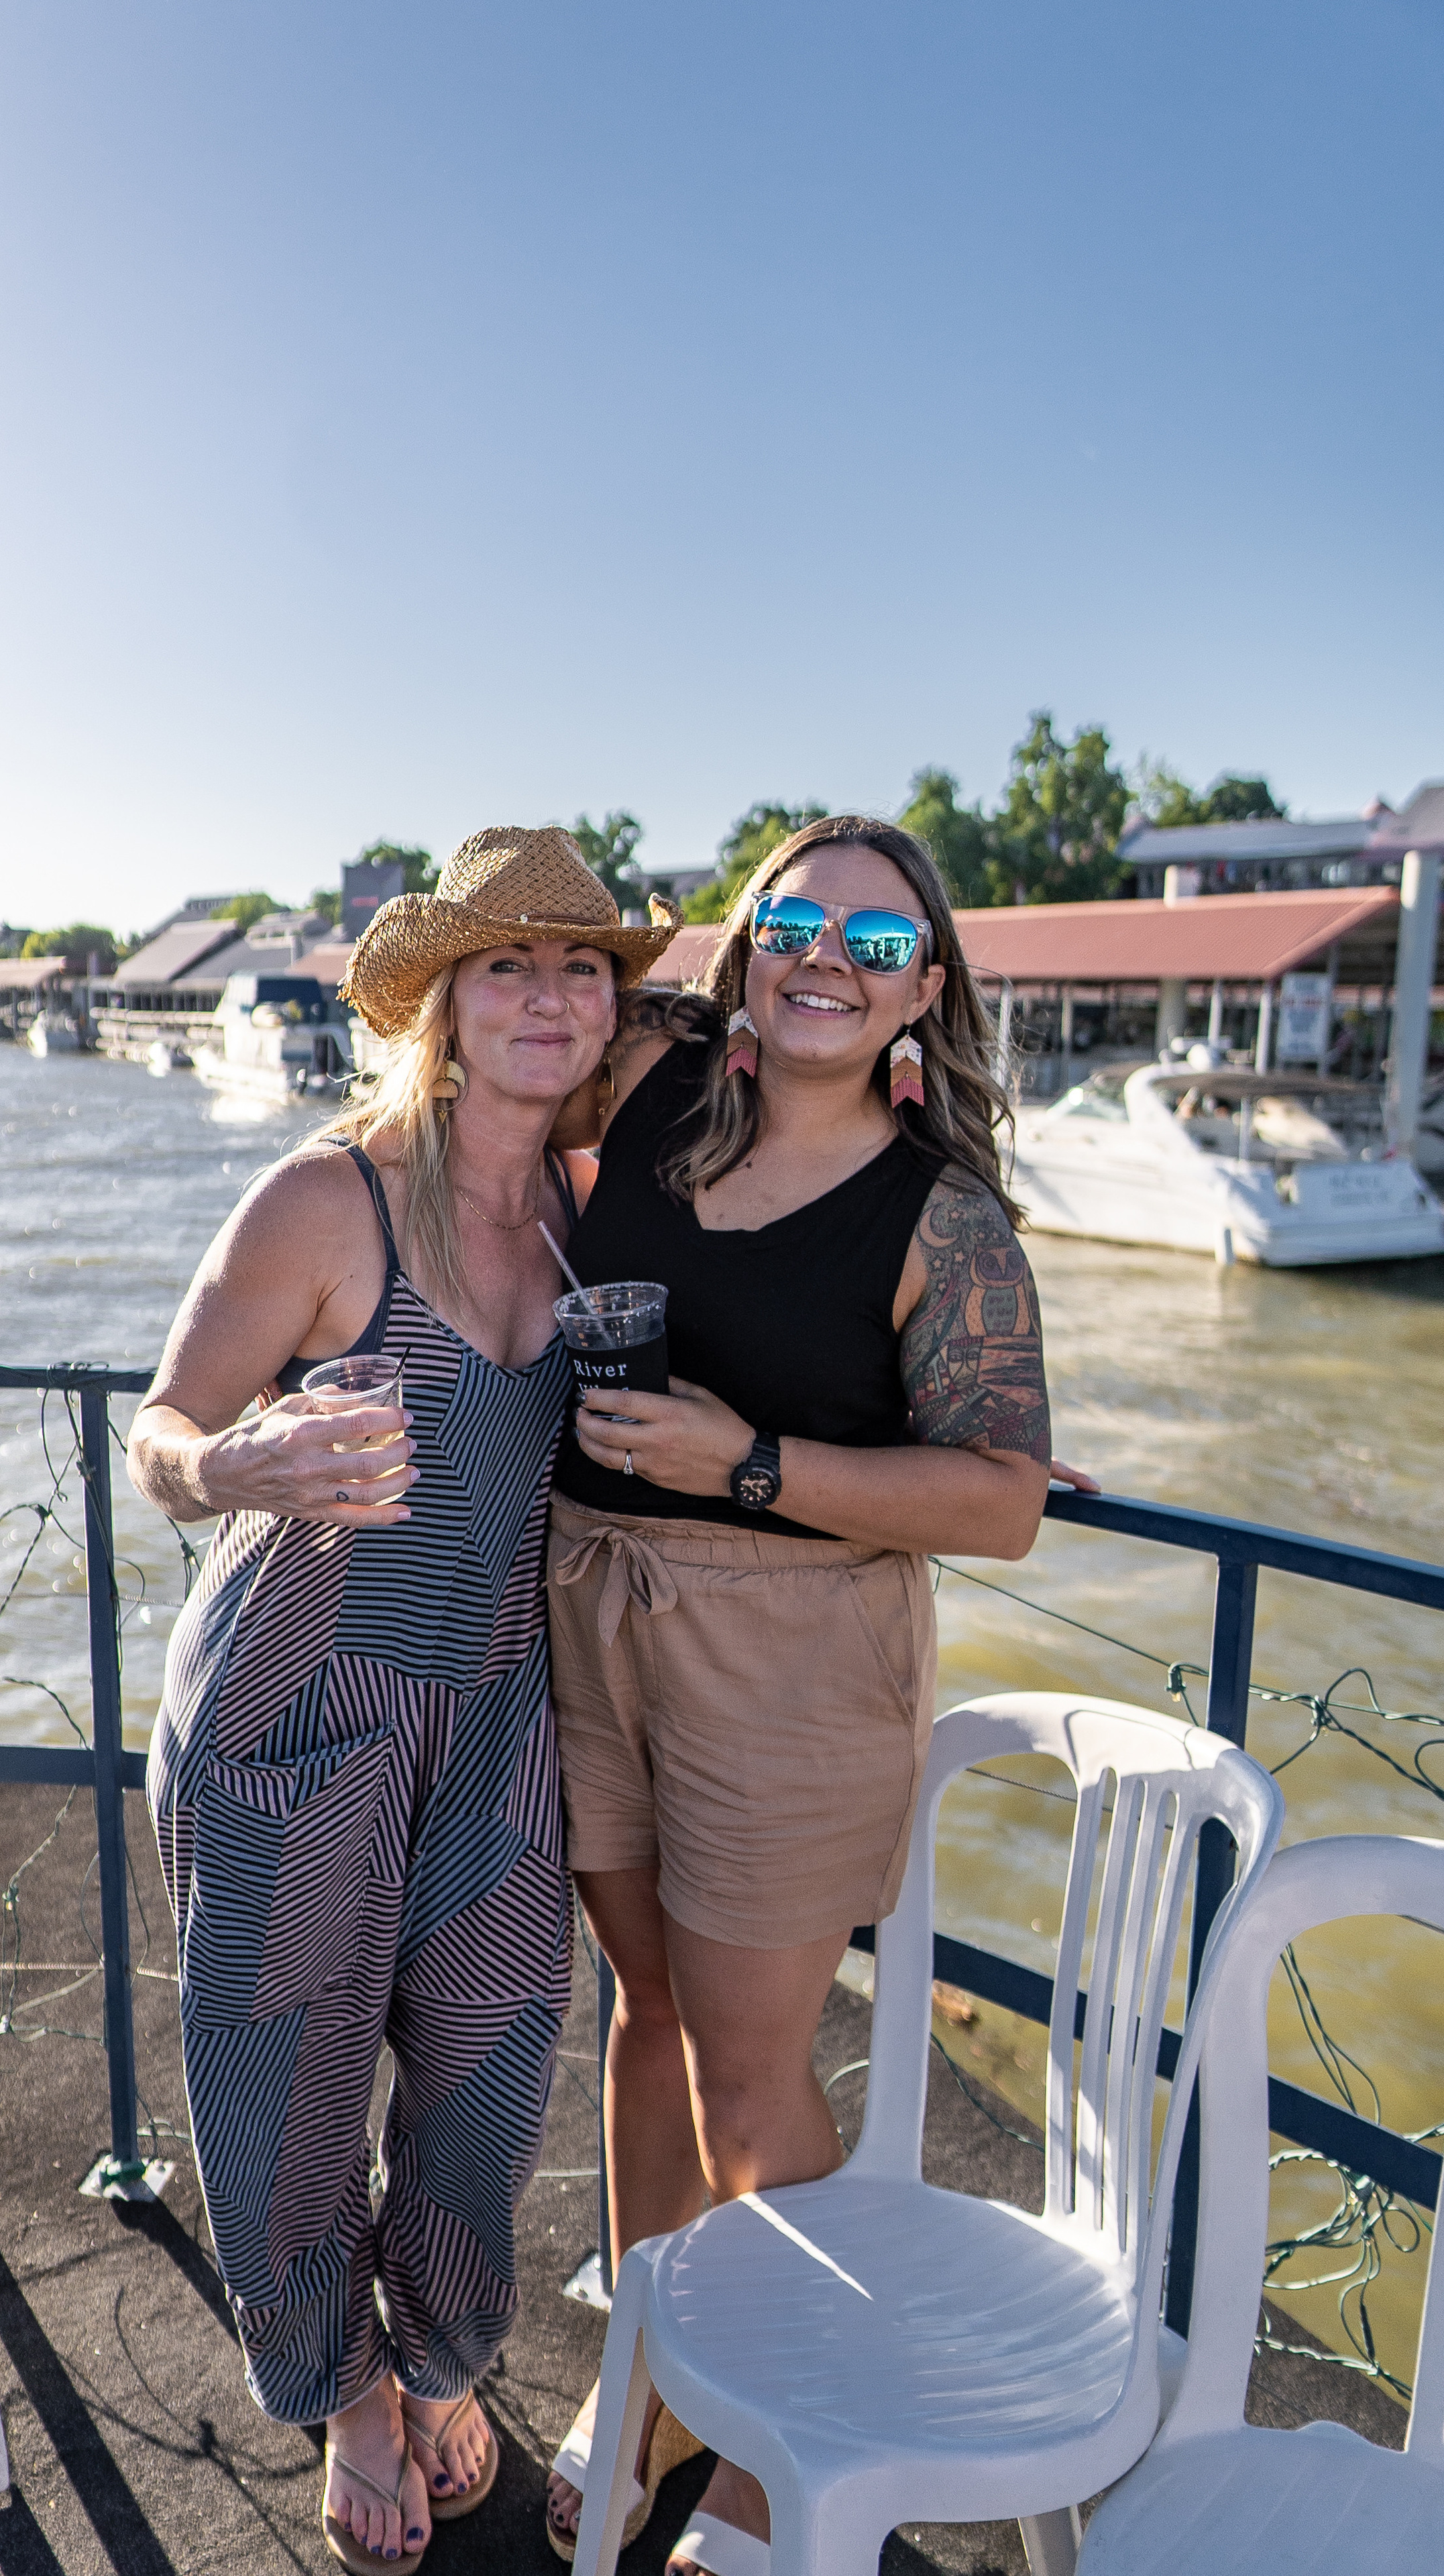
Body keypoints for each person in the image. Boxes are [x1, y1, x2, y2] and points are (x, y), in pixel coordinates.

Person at [129, 826, 675, 2576]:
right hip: (297, 1708)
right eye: (506, 964)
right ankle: (352, 2388)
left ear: (608, 1009)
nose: (547, 994)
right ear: (439, 1003)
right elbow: (158, 1441)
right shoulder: (325, 1199)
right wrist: (242, 1457)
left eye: (580, 965)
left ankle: (444, 2345)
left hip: (497, 1712)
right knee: (283, 2085)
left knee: (494, 2070)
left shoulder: (595, 1217)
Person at [542, 814, 1056, 2576]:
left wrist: (743, 1460)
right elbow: (492, 1048)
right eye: (797, 919)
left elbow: (998, 1500)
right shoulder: (661, 1104)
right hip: (590, 1603)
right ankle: (647, 2378)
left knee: (755, 2080)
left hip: (793, 1654)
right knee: (648, 2022)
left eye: (877, 937)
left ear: (926, 993)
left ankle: (777, 2453)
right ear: (750, 950)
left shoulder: (948, 1219)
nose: (830, 952)